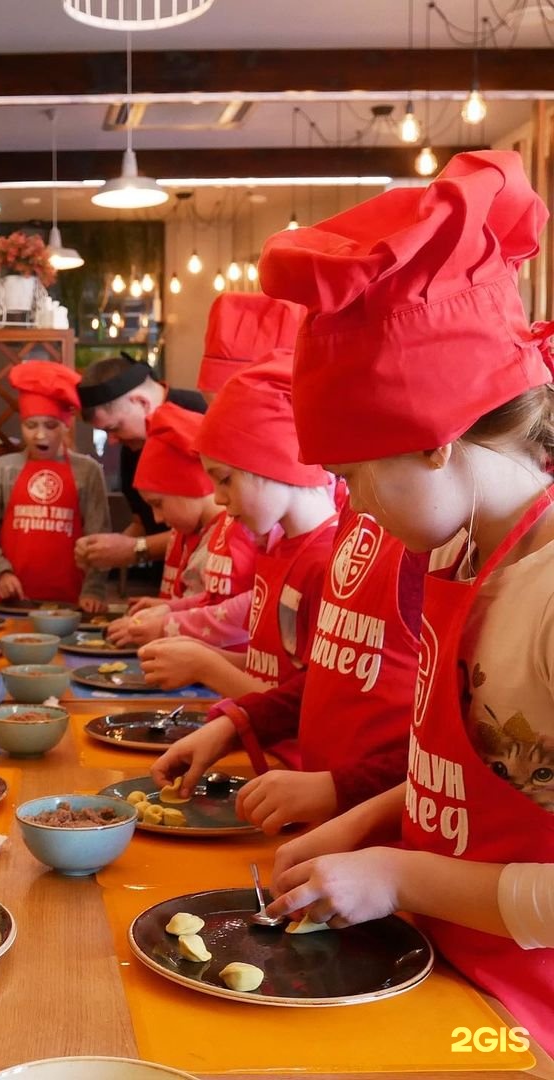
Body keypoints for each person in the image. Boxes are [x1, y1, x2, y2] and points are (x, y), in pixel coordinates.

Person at [254, 150, 554, 1055]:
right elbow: (454, 778)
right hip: (435, 967)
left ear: (431, 441)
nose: (350, 505)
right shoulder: (459, 552)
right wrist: (361, 826)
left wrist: (397, 876)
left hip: (516, 1020)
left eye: (352, 475)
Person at [151, 501, 427, 832]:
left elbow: (445, 756)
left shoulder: (437, 545)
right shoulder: (359, 516)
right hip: (331, 821)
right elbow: (328, 679)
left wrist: (335, 789)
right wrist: (235, 725)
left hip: (389, 837)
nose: (220, 500)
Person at [139, 353, 338, 704]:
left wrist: (206, 666)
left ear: (275, 462)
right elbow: (271, 669)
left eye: (226, 480)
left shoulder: (325, 561)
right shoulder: (276, 547)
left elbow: (303, 705)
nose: (217, 499)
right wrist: (196, 652)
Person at [106, 402, 257, 653]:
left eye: (158, 504)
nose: (156, 518)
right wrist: (167, 609)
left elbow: (238, 611)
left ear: (188, 487)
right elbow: (211, 600)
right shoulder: (190, 531)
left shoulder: (237, 532)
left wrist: (166, 621)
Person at [0, 360, 110, 611]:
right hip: (11, 602)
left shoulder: (87, 471)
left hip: (72, 603)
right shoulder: (3, 469)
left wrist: (94, 589)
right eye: (30, 426)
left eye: (51, 426)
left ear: (66, 425)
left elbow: (99, 539)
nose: (40, 435)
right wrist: (1, 573)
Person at [74, 353, 206, 575]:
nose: (113, 441)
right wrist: (106, 548)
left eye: (113, 428)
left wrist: (136, 549)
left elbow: (219, 524)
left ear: (142, 402)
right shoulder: (132, 445)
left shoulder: (203, 415)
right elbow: (143, 522)